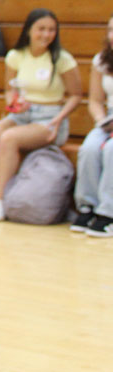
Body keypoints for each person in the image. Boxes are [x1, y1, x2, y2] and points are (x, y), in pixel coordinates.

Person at [0, 9, 82, 222]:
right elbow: (9, 89)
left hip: (49, 118)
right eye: (41, 29)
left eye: (51, 30)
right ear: (29, 31)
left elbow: (75, 95)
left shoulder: (62, 59)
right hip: (22, 115)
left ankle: (0, 200)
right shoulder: (16, 56)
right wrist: (13, 102)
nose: (46, 34)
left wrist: (60, 117)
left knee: (9, 139)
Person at [73, 13, 113, 237]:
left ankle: (108, 213)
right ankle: (86, 206)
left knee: (110, 150)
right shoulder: (101, 60)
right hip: (108, 118)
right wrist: (101, 120)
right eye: (110, 29)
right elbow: (96, 101)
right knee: (89, 147)